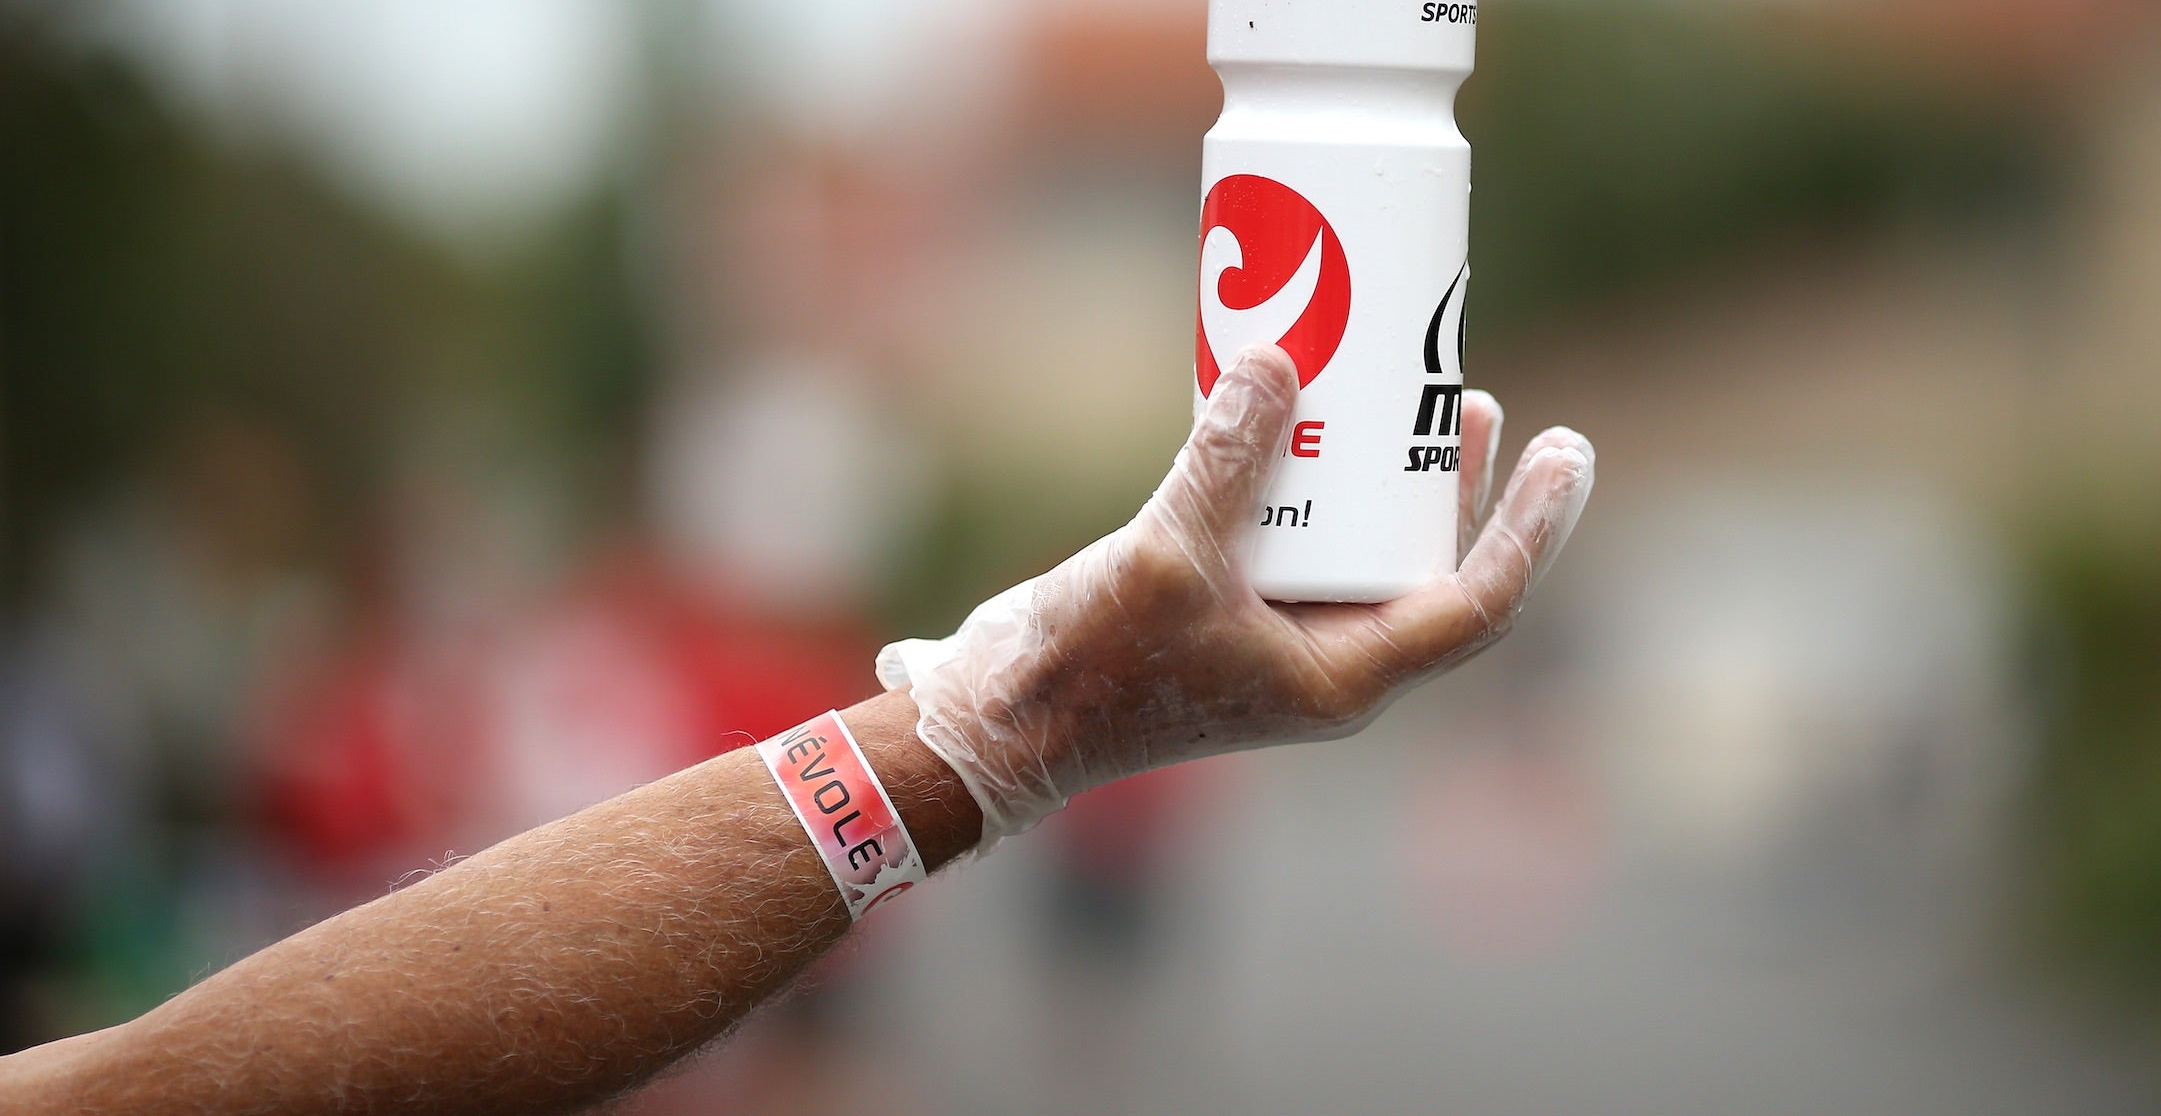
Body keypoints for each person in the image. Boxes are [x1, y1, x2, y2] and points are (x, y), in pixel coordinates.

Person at [0, 346, 1594, 1115]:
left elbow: (138, 1089)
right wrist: (997, 730)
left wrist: (995, 731)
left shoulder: (726, 649)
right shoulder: (568, 651)